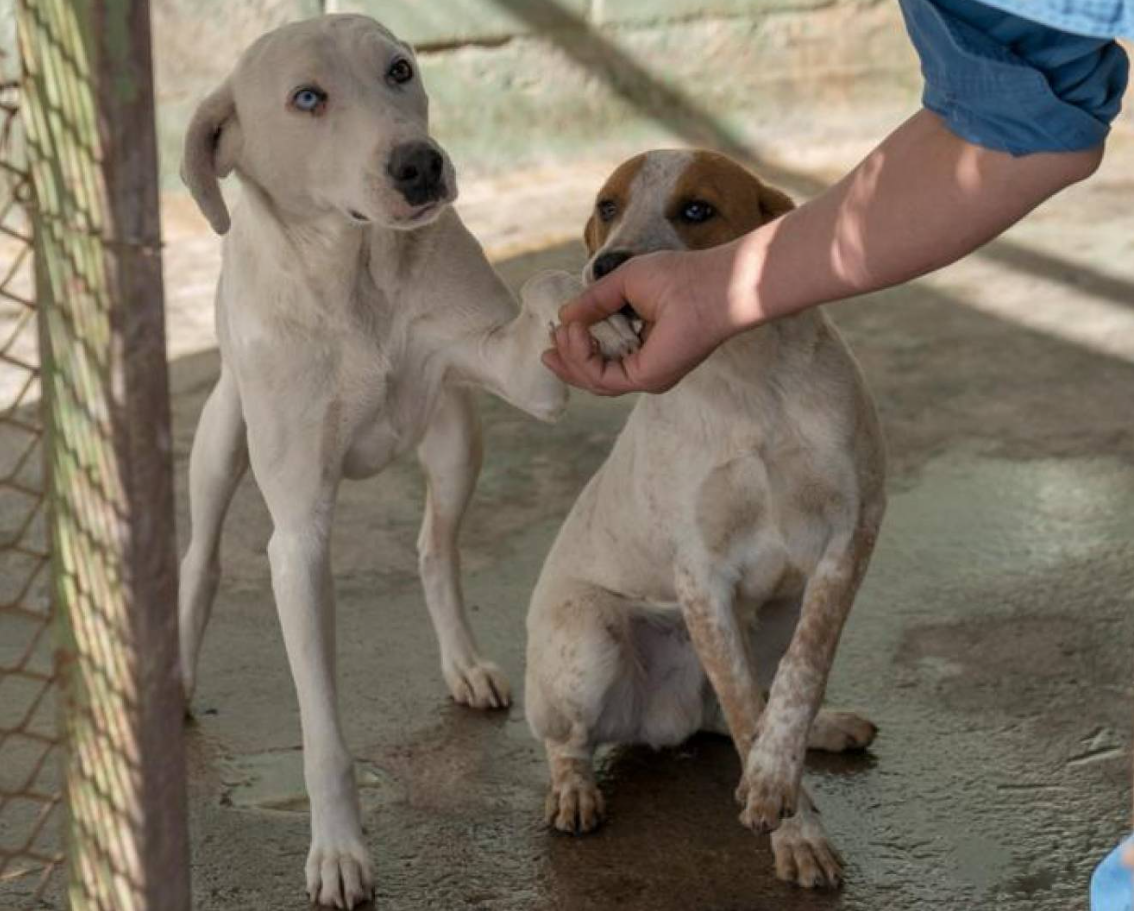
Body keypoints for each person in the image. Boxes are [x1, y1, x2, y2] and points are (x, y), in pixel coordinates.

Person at [541, 1, 1133, 907]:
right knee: (631, 638)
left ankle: (751, 727)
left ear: (760, 223)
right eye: (611, 218)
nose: (622, 248)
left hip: (744, 639)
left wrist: (792, 713)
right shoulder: (674, 412)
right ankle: (581, 755)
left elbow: (850, 530)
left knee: (777, 601)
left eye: (695, 215)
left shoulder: (820, 386)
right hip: (627, 610)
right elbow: (1017, 104)